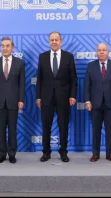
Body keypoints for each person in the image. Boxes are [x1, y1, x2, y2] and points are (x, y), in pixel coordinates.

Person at [36, 32, 78, 162]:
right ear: (49, 42)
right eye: (51, 40)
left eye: (56, 40)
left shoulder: (68, 56)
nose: (54, 42)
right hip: (46, 97)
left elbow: (73, 78)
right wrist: (38, 97)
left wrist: (72, 95)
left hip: (64, 97)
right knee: (46, 126)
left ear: (61, 41)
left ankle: (63, 152)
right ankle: (46, 152)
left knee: (63, 126)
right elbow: (39, 79)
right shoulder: (42, 57)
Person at [84, 43, 111, 162]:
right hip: (95, 104)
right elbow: (87, 85)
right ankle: (95, 154)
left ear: (108, 52)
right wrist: (87, 101)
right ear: (97, 52)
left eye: (104, 50)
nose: (101, 52)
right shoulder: (91, 66)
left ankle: (110, 154)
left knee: (110, 130)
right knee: (96, 130)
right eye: (99, 50)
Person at [0, 37, 25, 164]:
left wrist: (21, 100)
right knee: (0, 130)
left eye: (7, 46)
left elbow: (22, 84)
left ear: (12, 47)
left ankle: (12, 154)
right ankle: (2, 154)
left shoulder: (20, 63)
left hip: (14, 101)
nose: (5, 48)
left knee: (13, 130)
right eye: (3, 46)